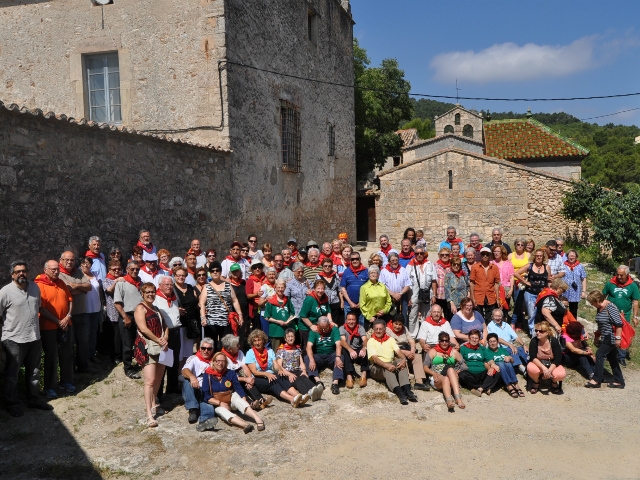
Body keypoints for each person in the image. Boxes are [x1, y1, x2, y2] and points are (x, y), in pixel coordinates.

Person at [0, 260, 53, 416]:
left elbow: (38, 308)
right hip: (13, 340)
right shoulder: (5, 292)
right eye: (18, 272)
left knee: (34, 372)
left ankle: (33, 399)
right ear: (12, 274)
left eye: (24, 271)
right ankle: (12, 403)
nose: (21, 274)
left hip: (34, 337)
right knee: (12, 374)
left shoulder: (35, 287)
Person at [36, 260, 75, 399]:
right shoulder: (40, 285)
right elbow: (42, 308)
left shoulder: (61, 282)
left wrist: (68, 316)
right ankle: (49, 387)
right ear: (45, 270)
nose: (56, 271)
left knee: (67, 354)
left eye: (57, 269)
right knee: (51, 357)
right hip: (49, 327)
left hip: (65, 325)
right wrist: (58, 321)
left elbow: (70, 300)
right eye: (53, 269)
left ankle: (66, 382)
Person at [132, 282, 169, 427]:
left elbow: (165, 326)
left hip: (160, 346)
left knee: (159, 377)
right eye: (147, 292)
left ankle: (155, 404)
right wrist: (159, 339)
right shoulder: (140, 308)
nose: (150, 294)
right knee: (150, 381)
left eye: (153, 292)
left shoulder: (157, 309)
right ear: (142, 293)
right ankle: (149, 414)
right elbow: (143, 328)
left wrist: (165, 337)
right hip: (147, 346)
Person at [202, 352, 264, 433]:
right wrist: (220, 403)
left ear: (226, 362)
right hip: (218, 402)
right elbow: (206, 395)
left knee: (238, 399)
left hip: (230, 399)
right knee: (221, 411)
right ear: (213, 362)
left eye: (223, 361)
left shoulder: (230, 373)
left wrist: (244, 400)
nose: (220, 363)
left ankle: (258, 419)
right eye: (218, 361)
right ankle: (245, 425)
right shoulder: (207, 375)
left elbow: (238, 388)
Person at [245, 329, 308, 407]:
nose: (257, 343)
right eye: (255, 341)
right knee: (272, 381)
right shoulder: (250, 353)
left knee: (282, 376)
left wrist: (280, 370)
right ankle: (291, 399)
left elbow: (275, 364)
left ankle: (299, 396)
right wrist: (267, 374)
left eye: (259, 340)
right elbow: (254, 372)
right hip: (258, 378)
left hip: (270, 374)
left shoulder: (269, 350)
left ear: (263, 340)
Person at [58, 251, 94, 374]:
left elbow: (89, 287)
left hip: (82, 312)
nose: (69, 262)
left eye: (72, 260)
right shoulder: (59, 274)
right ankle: (70, 370)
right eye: (67, 260)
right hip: (68, 315)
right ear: (61, 260)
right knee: (69, 343)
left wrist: (75, 286)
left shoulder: (77, 271)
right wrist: (81, 288)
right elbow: (66, 291)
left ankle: (83, 366)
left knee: (83, 341)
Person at [367, 318, 416, 405]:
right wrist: (386, 365)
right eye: (376, 329)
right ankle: (400, 393)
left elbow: (398, 352)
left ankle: (407, 390)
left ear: (385, 330)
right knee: (387, 368)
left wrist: (404, 360)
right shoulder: (371, 341)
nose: (378, 331)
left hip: (389, 363)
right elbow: (375, 359)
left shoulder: (390, 339)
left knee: (400, 361)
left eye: (380, 329)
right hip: (376, 367)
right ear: (373, 330)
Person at [220, 334, 274, 410]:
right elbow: (229, 377)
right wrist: (245, 379)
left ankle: (261, 400)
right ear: (230, 349)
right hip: (227, 381)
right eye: (237, 345)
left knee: (249, 383)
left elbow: (245, 367)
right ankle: (250, 403)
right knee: (239, 385)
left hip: (238, 378)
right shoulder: (223, 358)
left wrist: (249, 378)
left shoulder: (239, 353)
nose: (239, 346)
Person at [200, 261, 243, 351]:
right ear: (210, 273)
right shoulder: (207, 287)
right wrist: (203, 318)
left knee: (226, 346)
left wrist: (240, 315)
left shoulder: (228, 285)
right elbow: (202, 304)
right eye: (212, 271)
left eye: (217, 270)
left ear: (220, 271)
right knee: (212, 346)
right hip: (211, 322)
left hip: (226, 321)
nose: (215, 272)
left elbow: (235, 301)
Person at [585, 291, 625, 389]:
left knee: (600, 354)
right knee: (612, 358)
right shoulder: (600, 308)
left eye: (592, 303)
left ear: (598, 300)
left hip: (611, 336)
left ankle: (597, 379)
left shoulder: (610, 307)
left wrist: (618, 339)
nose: (592, 305)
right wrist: (597, 337)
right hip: (605, 335)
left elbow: (619, 324)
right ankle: (619, 381)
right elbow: (601, 324)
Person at [602, 265, 640, 366]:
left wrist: (636, 317)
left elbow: (635, 302)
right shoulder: (611, 283)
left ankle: (621, 357)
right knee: (608, 333)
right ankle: (606, 354)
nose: (619, 277)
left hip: (624, 315)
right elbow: (603, 296)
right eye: (617, 274)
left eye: (621, 275)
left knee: (623, 335)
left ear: (627, 275)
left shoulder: (632, 286)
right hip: (609, 313)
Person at [154, 275, 185, 395]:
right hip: (165, 333)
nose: (169, 287)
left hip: (176, 331)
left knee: (174, 361)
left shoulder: (174, 297)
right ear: (160, 285)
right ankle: (159, 392)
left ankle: (172, 387)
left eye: (171, 284)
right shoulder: (156, 298)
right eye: (166, 284)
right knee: (163, 363)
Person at [114, 260, 143, 379]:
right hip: (128, 315)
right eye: (132, 269)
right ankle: (128, 368)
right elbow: (117, 303)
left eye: (137, 269)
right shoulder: (121, 283)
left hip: (140, 315)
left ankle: (141, 361)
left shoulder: (141, 283)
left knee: (140, 341)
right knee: (127, 344)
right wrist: (125, 317)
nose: (135, 271)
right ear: (127, 270)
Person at [422, 332, 465, 410]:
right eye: (442, 340)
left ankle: (458, 398)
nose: (444, 343)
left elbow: (464, 365)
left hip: (451, 375)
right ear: (439, 341)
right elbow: (425, 367)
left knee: (451, 369)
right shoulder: (433, 351)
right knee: (446, 378)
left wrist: (457, 372)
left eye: (446, 341)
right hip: (438, 377)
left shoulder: (453, 352)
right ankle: (449, 400)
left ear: (449, 342)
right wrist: (433, 373)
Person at [276, 328, 322, 401]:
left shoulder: (297, 349)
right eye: (288, 337)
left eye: (292, 336)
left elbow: (301, 363)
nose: (290, 339)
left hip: (297, 370)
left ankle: (315, 390)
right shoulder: (281, 350)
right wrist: (289, 374)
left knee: (305, 378)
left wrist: (304, 371)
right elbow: (279, 366)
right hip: (287, 372)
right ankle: (309, 394)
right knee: (298, 381)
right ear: (285, 338)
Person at [181, 337, 217, 429]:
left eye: (209, 349)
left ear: (212, 350)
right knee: (186, 380)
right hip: (192, 390)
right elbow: (184, 370)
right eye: (203, 348)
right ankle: (193, 409)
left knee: (208, 407)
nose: (206, 351)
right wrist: (192, 377)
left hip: (206, 391)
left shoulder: (216, 361)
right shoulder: (193, 358)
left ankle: (204, 422)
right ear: (199, 349)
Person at [514, 248, 551, 336]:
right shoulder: (529, 265)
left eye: (540, 256)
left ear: (543, 257)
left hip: (542, 294)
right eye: (537, 256)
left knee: (542, 313)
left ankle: (542, 331)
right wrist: (526, 282)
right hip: (530, 293)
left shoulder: (547, 267)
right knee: (531, 313)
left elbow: (549, 280)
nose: (539, 257)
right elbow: (516, 273)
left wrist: (550, 291)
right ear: (534, 256)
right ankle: (533, 332)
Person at [386, 316, 428, 391]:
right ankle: (406, 382)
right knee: (401, 358)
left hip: (407, 349)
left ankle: (419, 382)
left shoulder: (405, 329)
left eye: (400, 324)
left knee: (417, 357)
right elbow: (389, 347)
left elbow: (411, 340)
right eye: (396, 324)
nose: (398, 326)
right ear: (392, 323)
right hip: (395, 351)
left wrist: (412, 350)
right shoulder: (387, 330)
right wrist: (405, 352)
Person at [305, 316, 344, 395]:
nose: (323, 330)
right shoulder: (314, 331)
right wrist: (312, 360)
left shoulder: (334, 329)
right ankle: (318, 382)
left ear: (329, 324)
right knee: (307, 358)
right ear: (318, 325)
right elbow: (308, 347)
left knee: (341, 357)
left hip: (331, 354)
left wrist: (338, 357)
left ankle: (335, 383)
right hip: (319, 355)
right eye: (321, 328)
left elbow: (338, 344)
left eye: (325, 328)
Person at [526, 320, 566, 394]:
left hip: (552, 363)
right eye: (536, 330)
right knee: (531, 368)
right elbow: (533, 357)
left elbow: (558, 358)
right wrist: (544, 368)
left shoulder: (553, 341)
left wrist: (549, 371)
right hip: (539, 363)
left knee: (561, 374)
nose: (537, 333)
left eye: (541, 331)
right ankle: (536, 382)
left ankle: (553, 382)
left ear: (547, 333)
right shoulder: (534, 341)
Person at [79, 256, 105, 365]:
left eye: (88, 263)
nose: (86, 265)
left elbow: (99, 289)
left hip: (96, 308)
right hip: (85, 309)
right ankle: (85, 359)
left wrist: (102, 302)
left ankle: (92, 355)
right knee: (85, 335)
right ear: (80, 265)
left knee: (94, 333)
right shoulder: (78, 275)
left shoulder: (95, 274)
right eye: (84, 263)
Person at [458, 329, 500, 397]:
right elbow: (460, 361)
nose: (474, 340)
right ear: (469, 338)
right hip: (469, 372)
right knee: (462, 374)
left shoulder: (482, 348)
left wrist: (493, 365)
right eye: (472, 338)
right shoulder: (463, 348)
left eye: (476, 338)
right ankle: (485, 387)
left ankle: (480, 388)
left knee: (497, 371)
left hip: (482, 372)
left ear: (479, 339)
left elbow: (489, 359)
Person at [486, 309, 528, 374]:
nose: (497, 318)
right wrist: (510, 345)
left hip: (510, 345)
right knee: (512, 350)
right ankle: (522, 369)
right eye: (496, 316)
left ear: (502, 317)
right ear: (492, 317)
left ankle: (531, 365)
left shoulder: (506, 325)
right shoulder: (490, 326)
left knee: (523, 350)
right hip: (500, 348)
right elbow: (497, 339)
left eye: (499, 316)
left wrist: (524, 345)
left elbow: (515, 336)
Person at [407, 245, 437, 337]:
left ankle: (425, 335)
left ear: (424, 254)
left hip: (427, 294)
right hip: (414, 294)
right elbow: (407, 283)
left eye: (421, 253)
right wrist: (409, 298)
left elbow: (434, 280)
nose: (419, 255)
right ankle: (413, 335)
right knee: (413, 316)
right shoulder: (410, 265)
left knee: (427, 315)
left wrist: (434, 295)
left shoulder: (430, 264)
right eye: (417, 253)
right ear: (414, 254)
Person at [483, 333, 524, 398]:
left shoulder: (502, 350)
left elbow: (512, 360)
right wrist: (494, 364)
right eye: (490, 342)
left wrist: (509, 358)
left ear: (497, 342)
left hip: (507, 370)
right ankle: (509, 386)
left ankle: (516, 384)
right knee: (500, 363)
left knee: (508, 363)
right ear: (488, 342)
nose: (493, 343)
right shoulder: (487, 351)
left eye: (494, 341)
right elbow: (490, 361)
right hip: (497, 373)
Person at [379, 252, 411, 329]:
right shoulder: (384, 271)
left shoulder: (403, 270)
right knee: (391, 315)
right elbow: (382, 286)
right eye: (392, 260)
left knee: (403, 315)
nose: (395, 262)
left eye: (396, 260)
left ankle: (403, 331)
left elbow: (408, 285)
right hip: (389, 297)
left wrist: (400, 294)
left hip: (402, 296)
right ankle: (390, 330)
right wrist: (393, 294)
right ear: (389, 262)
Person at [469, 247, 501, 323]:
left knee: (489, 317)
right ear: (480, 255)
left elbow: (496, 283)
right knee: (478, 316)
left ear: (490, 255)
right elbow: (472, 282)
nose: (485, 256)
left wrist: (497, 298)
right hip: (478, 295)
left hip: (490, 295)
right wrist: (472, 297)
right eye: (483, 254)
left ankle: (489, 332)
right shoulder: (475, 267)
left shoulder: (495, 268)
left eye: (487, 254)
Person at [103, 260, 125, 365]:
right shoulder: (106, 280)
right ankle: (116, 356)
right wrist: (116, 281)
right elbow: (109, 291)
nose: (117, 271)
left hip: (124, 310)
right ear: (109, 270)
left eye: (119, 269)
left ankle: (124, 354)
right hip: (113, 312)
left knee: (123, 334)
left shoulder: (124, 278)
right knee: (115, 335)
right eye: (114, 269)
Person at [264, 279, 296, 350]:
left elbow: (292, 312)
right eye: (278, 287)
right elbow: (267, 317)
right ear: (275, 288)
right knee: (277, 351)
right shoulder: (270, 301)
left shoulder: (287, 300)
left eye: (282, 287)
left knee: (288, 350)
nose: (280, 289)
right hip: (276, 332)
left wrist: (289, 319)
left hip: (288, 331)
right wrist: (278, 321)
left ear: (285, 288)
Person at [299, 279, 333, 348]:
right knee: (308, 347)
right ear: (314, 289)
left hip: (318, 326)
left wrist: (330, 322)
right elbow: (303, 316)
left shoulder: (325, 298)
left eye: (322, 289)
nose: (320, 291)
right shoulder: (309, 299)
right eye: (318, 288)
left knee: (316, 346)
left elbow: (328, 311)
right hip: (306, 326)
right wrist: (311, 326)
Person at [339, 311, 369, 388]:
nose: (351, 322)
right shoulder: (342, 328)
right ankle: (349, 377)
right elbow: (342, 341)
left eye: (353, 319)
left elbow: (365, 340)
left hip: (357, 349)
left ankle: (364, 375)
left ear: (356, 320)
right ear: (346, 320)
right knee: (344, 350)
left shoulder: (360, 328)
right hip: (348, 350)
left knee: (366, 350)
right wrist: (350, 350)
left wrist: (364, 348)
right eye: (349, 319)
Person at [173, 267, 202, 346]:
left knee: (189, 349)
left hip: (192, 323)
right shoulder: (172, 289)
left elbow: (196, 302)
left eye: (183, 275)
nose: (181, 277)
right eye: (178, 275)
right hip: (180, 323)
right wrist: (176, 310)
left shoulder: (190, 287)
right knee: (180, 349)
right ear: (174, 276)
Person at [359, 265, 392, 330]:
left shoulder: (383, 286)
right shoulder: (364, 288)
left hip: (383, 316)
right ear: (369, 275)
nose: (373, 274)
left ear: (378, 275)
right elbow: (362, 305)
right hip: (371, 318)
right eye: (371, 273)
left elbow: (389, 301)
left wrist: (385, 310)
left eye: (375, 272)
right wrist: (369, 317)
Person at [340, 251, 369, 325]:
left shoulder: (366, 271)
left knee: (361, 325)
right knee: (348, 325)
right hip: (348, 305)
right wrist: (350, 302)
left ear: (360, 259)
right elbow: (343, 288)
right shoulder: (346, 272)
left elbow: (369, 288)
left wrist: (361, 302)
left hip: (362, 304)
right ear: (350, 260)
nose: (355, 261)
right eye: (352, 259)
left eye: (357, 259)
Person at [508, 238, 530, 329]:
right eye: (518, 244)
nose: (520, 246)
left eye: (522, 245)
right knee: (517, 301)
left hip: (524, 280)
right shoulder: (510, 255)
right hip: (513, 279)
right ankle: (515, 321)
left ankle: (518, 321)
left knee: (521, 302)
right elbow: (508, 268)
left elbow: (530, 267)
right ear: (515, 245)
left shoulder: (528, 255)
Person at [228, 265, 250, 347]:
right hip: (232, 314)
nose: (235, 273)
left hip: (243, 313)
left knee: (241, 334)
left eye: (237, 271)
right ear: (230, 273)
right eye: (233, 271)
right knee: (232, 334)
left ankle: (240, 352)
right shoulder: (227, 284)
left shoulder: (244, 283)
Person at [317, 257, 343, 327]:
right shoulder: (318, 276)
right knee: (325, 324)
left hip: (335, 304)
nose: (327, 267)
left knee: (335, 324)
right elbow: (317, 291)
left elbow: (339, 289)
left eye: (329, 266)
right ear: (322, 266)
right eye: (325, 266)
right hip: (324, 304)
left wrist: (342, 302)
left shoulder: (336, 275)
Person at [491, 245, 515, 317]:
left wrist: (511, 289)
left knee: (507, 307)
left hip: (506, 288)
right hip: (495, 288)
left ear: (502, 252)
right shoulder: (491, 263)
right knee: (496, 307)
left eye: (498, 251)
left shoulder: (508, 263)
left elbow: (511, 276)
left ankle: (506, 322)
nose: (496, 253)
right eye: (494, 251)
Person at [563, 249, 587, 319]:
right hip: (564, 292)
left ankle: (573, 326)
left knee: (573, 311)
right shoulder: (563, 265)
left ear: (576, 257)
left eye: (573, 256)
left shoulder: (580, 266)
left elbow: (583, 278)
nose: (571, 257)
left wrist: (584, 291)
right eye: (570, 256)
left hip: (575, 292)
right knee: (563, 310)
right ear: (567, 256)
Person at [434, 247, 452, 319]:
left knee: (448, 315)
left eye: (446, 255)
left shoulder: (453, 265)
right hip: (439, 294)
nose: (444, 256)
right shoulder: (435, 266)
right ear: (439, 255)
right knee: (437, 314)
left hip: (449, 295)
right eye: (442, 255)